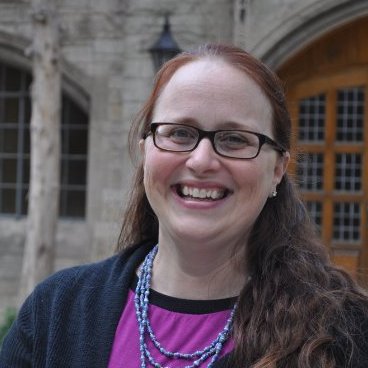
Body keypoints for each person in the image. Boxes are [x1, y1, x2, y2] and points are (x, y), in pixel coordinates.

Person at [1, 43, 368, 368]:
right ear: (146, 153)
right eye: (179, 133)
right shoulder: (56, 311)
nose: (201, 160)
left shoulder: (343, 333)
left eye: (234, 139)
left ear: (277, 169)